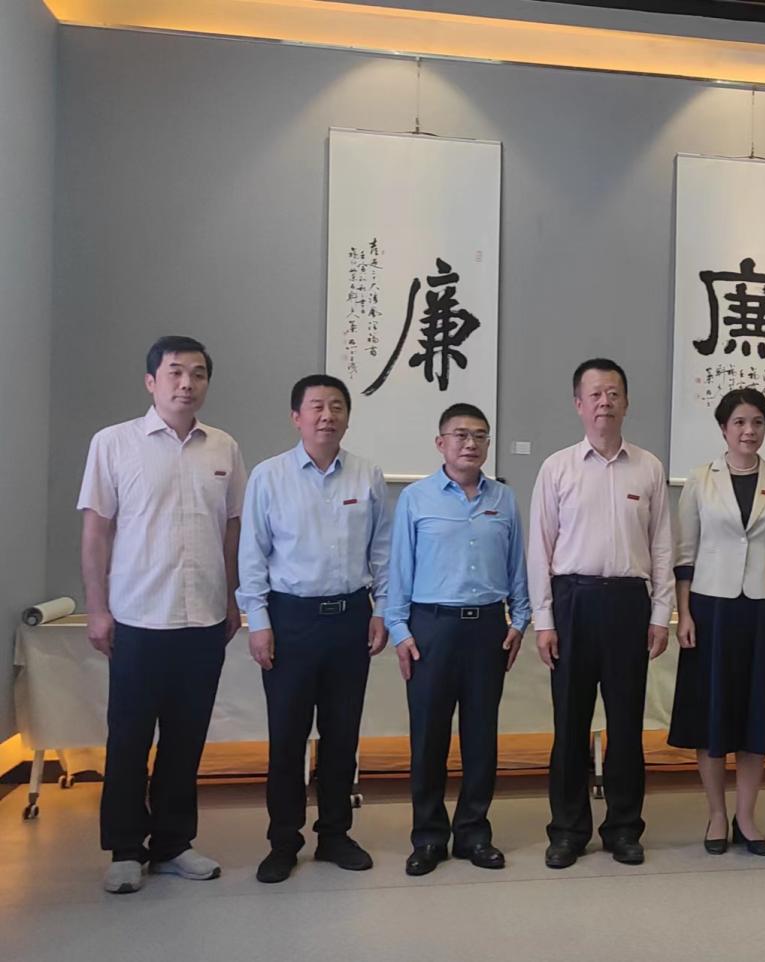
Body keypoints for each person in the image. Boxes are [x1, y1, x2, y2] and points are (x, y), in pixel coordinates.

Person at [79, 335, 247, 894]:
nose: (186, 383)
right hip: (137, 617)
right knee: (129, 738)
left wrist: (232, 600)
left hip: (203, 619)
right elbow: (96, 533)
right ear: (151, 381)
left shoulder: (224, 447)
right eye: (175, 372)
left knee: (185, 738)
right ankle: (126, 848)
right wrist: (97, 608)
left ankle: (174, 843)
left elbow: (232, 531)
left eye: (198, 373)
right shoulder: (114, 443)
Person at [237, 374, 390, 883]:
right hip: (290, 621)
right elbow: (252, 555)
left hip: (350, 618)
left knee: (342, 734)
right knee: (287, 737)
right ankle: (283, 840)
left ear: (347, 417)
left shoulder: (367, 475)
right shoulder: (269, 476)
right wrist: (258, 622)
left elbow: (382, 551)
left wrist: (382, 610)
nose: (327, 416)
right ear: (296, 416)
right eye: (317, 406)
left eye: (337, 406)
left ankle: (335, 834)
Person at [528, 358, 673, 869]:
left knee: (627, 724)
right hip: (573, 601)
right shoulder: (557, 468)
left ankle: (624, 828)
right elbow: (540, 548)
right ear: (578, 404)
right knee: (569, 724)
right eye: (595, 394)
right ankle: (567, 830)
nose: (604, 402)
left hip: (629, 603)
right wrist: (544, 621)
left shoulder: (649, 468)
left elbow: (661, 546)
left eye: (613, 393)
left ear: (626, 403)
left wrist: (661, 614)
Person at [386, 403, 530, 877]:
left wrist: (520, 620)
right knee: (428, 736)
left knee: (480, 735)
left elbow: (517, 566)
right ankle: (428, 836)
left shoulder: (504, 499)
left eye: (480, 436)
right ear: (440, 443)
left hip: (487, 628)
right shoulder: (416, 498)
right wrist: (399, 630)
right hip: (431, 628)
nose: (471, 444)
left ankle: (473, 833)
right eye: (461, 434)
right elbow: (399, 569)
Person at [669, 389, 765, 856]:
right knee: (711, 717)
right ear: (723, 428)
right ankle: (715, 814)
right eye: (740, 422)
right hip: (711, 610)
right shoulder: (699, 479)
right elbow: (684, 554)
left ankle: (746, 816)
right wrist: (683, 613)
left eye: (758, 422)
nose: (749, 431)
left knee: (755, 716)